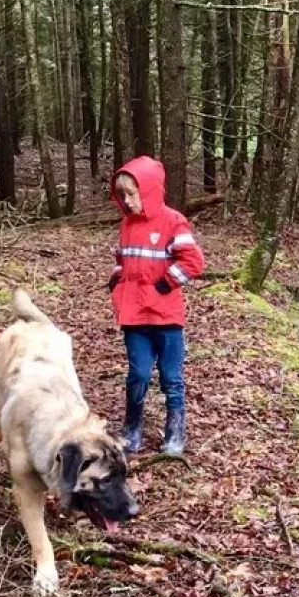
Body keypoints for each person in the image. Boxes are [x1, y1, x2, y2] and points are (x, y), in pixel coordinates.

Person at [108, 156, 205, 456]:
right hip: (135, 316)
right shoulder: (127, 224)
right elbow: (123, 261)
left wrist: (165, 284)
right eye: (122, 194)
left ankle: (175, 433)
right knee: (137, 374)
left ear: (148, 190)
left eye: (132, 193)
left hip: (166, 317)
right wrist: (116, 281)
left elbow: (193, 261)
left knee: (171, 378)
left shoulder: (173, 221)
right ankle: (131, 428)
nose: (127, 200)